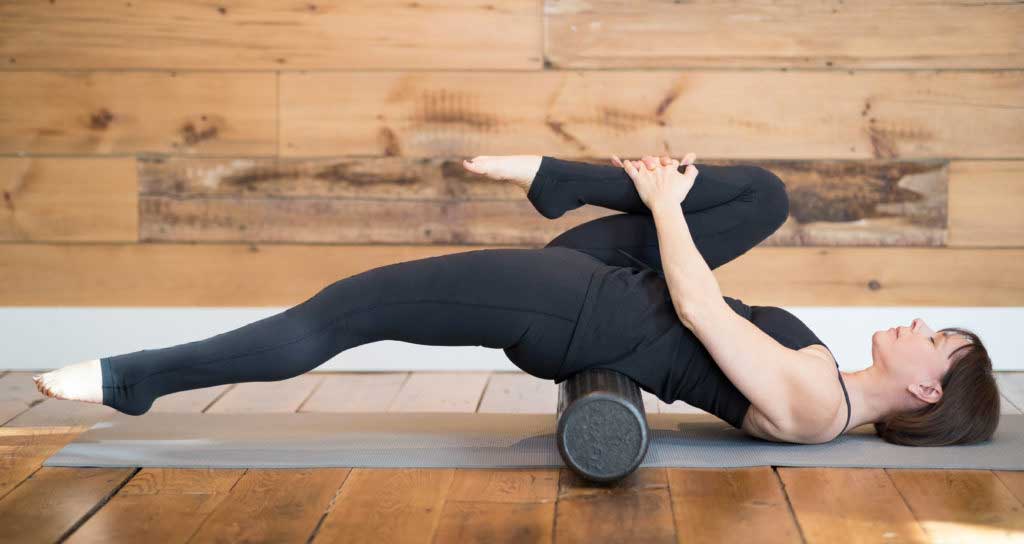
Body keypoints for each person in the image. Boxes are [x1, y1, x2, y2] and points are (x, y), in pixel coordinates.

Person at [34, 153, 1000, 446]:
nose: (923, 324)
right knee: (765, 198)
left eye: (940, 340)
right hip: (610, 287)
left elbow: (704, 314)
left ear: (927, 392)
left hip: (580, 314)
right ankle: (557, 176)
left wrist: (666, 205)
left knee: (346, 311)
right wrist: (660, 208)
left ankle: (136, 379)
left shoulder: (818, 409)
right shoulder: (827, 370)